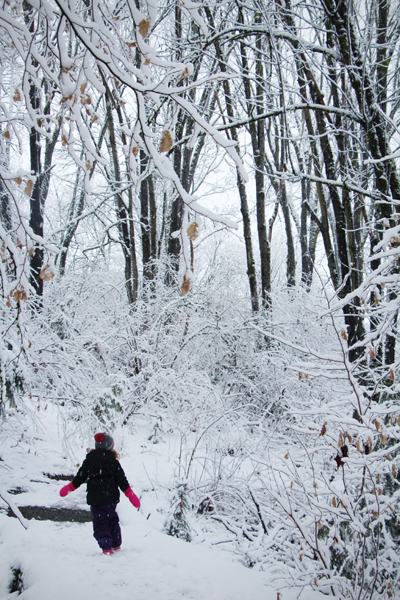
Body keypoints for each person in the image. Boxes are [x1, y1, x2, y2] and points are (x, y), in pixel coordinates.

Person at [59, 432, 140, 555]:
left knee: (100, 522)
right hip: (111, 498)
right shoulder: (113, 462)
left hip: (95, 498)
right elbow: (122, 480)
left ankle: (106, 546)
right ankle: (116, 544)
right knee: (112, 519)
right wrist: (130, 495)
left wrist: (69, 488)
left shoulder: (89, 461)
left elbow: (80, 478)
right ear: (110, 447)